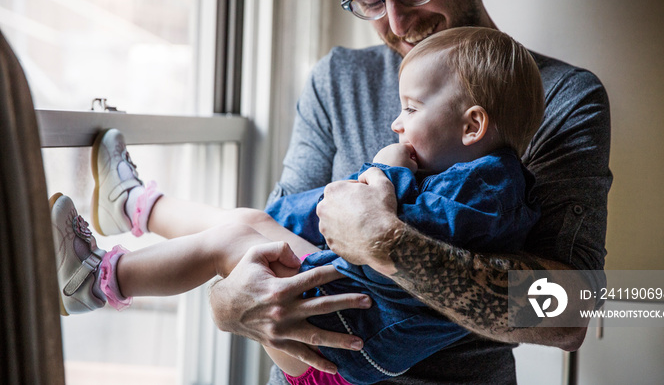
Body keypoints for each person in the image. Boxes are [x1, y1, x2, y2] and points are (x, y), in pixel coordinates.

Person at [207, 0, 612, 384]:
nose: (397, 22)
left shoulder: (561, 97)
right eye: (370, 0)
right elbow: (271, 235)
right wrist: (225, 305)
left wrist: (386, 242)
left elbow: (570, 311)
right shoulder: (338, 80)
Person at [52, 27, 544, 385]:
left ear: (472, 126)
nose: (396, 123)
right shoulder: (465, 169)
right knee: (250, 224)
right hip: (344, 323)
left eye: (410, 110)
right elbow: (292, 215)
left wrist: (386, 172)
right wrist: (230, 300)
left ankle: (95, 281)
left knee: (237, 239)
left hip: (343, 346)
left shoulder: (487, 190)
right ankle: (134, 206)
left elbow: (570, 312)